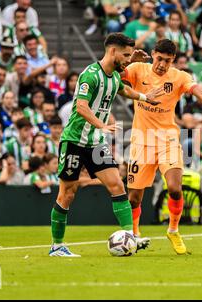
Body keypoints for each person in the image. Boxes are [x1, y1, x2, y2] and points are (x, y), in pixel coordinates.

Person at [48, 33, 164, 257]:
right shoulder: (90, 75)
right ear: (113, 51)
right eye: (126, 55)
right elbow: (81, 106)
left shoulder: (114, 77)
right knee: (67, 193)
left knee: (117, 186)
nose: (129, 60)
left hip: (95, 143)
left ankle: (131, 237)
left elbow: (124, 89)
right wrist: (101, 125)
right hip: (74, 140)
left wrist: (144, 97)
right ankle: (57, 245)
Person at [121, 38, 202, 255]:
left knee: (174, 188)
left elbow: (199, 94)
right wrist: (125, 63)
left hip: (169, 140)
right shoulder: (137, 69)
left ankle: (173, 230)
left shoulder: (179, 77)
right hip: (141, 142)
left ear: (173, 59)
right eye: (159, 59)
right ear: (153, 54)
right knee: (134, 198)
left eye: (167, 60)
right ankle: (134, 235)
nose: (162, 64)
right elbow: (111, 79)